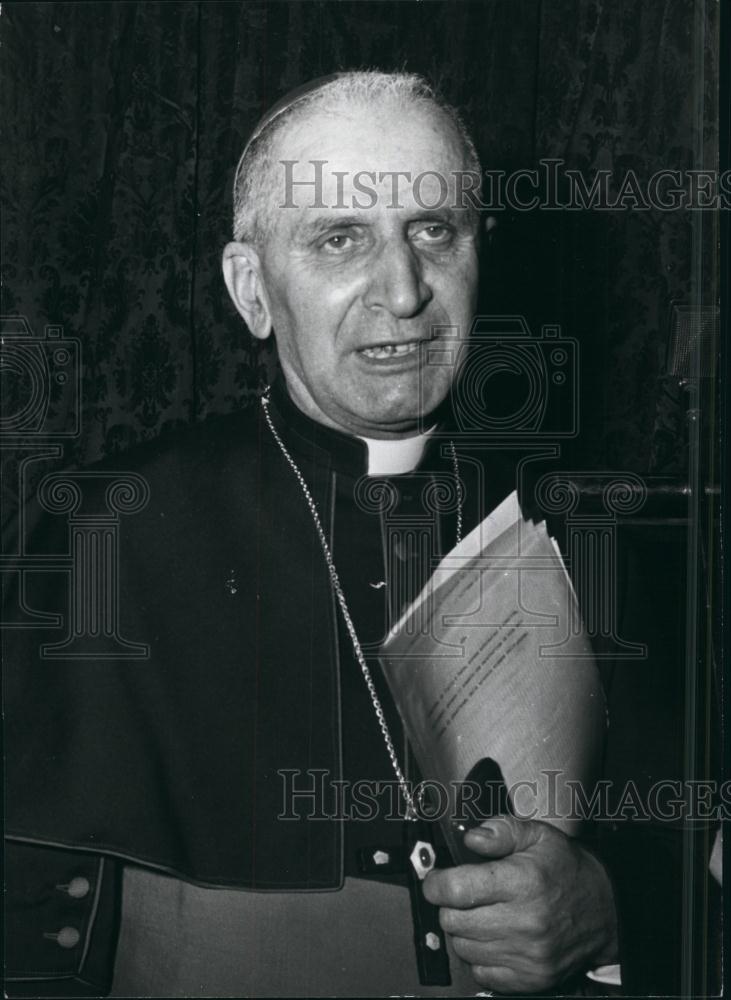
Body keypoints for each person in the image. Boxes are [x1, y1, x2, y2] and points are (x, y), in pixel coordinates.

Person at [3, 71, 710, 998]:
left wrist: (616, 907)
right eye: (340, 239)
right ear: (251, 288)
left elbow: (689, 847)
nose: (405, 291)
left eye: (433, 231)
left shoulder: (581, 527)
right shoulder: (111, 527)